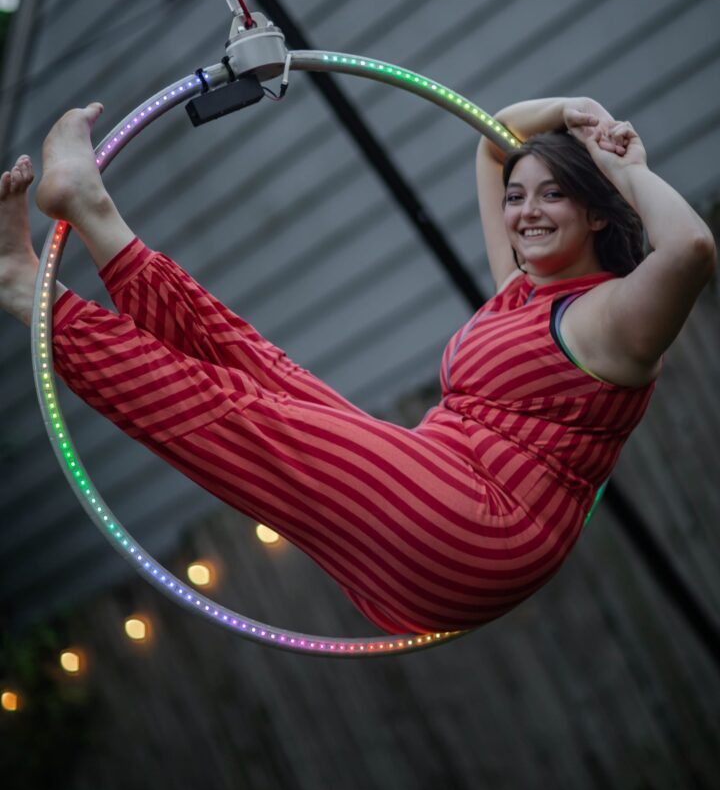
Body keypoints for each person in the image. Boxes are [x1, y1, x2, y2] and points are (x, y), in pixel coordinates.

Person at [0, 97, 715, 635]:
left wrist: (627, 169)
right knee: (256, 368)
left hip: (477, 532)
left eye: (553, 195)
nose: (524, 211)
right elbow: (494, 142)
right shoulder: (520, 293)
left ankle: (31, 294)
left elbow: (689, 250)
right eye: (517, 199)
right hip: (428, 512)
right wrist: (568, 112)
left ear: (597, 214)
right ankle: (91, 218)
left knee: (244, 416)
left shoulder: (618, 319)